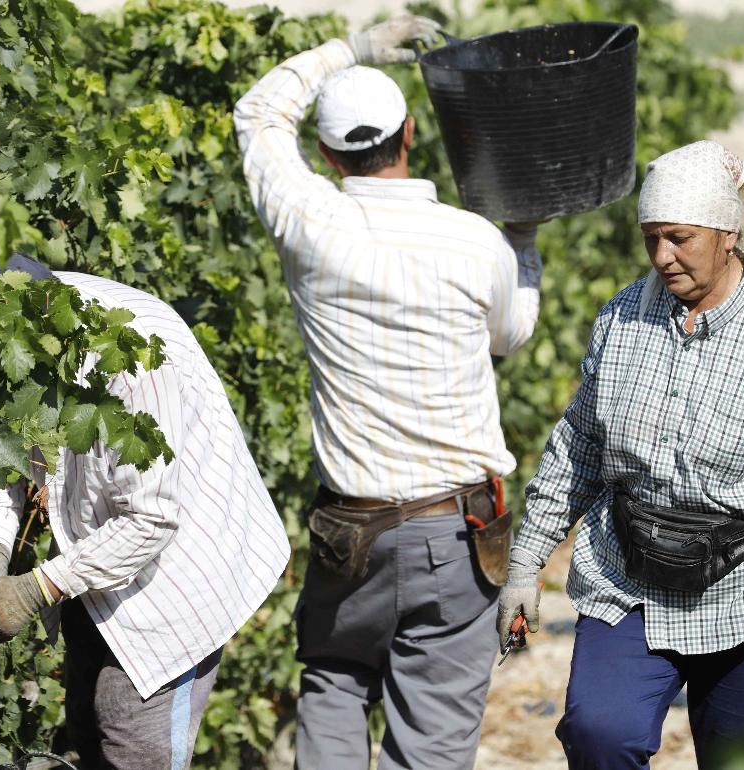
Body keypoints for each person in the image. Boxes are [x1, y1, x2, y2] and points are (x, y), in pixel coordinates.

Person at [234, 15, 545, 769]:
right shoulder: (477, 242)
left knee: (335, 682)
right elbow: (512, 335)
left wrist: (354, 45)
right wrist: (526, 245)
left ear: (325, 154)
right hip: (456, 531)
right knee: (433, 741)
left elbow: (257, 110)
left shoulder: (309, 222)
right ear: (410, 135)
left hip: (350, 534)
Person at [0, 258, 291, 770]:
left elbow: (151, 519)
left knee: (133, 746)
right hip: (95, 555)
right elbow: (3, 455)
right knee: (88, 733)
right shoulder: (0, 329)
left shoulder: (131, 368)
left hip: (178, 572)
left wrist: (33, 589)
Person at [499, 141, 744, 769]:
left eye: (679, 238)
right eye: (650, 239)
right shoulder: (623, 320)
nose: (661, 257)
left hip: (740, 590)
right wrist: (526, 566)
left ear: (728, 234)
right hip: (629, 577)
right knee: (598, 732)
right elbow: (577, 449)